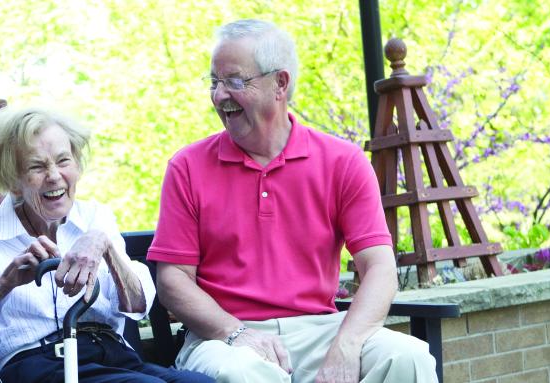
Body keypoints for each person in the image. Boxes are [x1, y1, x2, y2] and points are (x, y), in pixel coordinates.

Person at [147, 20, 438, 383]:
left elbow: (379, 267)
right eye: (214, 82)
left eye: (235, 81)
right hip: (225, 338)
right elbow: (173, 280)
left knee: (409, 357)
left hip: (322, 330)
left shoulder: (342, 161)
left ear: (280, 84)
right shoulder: (187, 167)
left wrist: (346, 347)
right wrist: (237, 333)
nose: (220, 95)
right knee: (241, 373)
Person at [0, 106, 213, 383]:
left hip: (112, 357)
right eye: (37, 166)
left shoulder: (96, 218)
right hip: (39, 365)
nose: (54, 176)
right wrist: (3, 285)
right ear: (13, 180)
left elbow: (137, 306)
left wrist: (106, 247)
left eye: (63, 160)